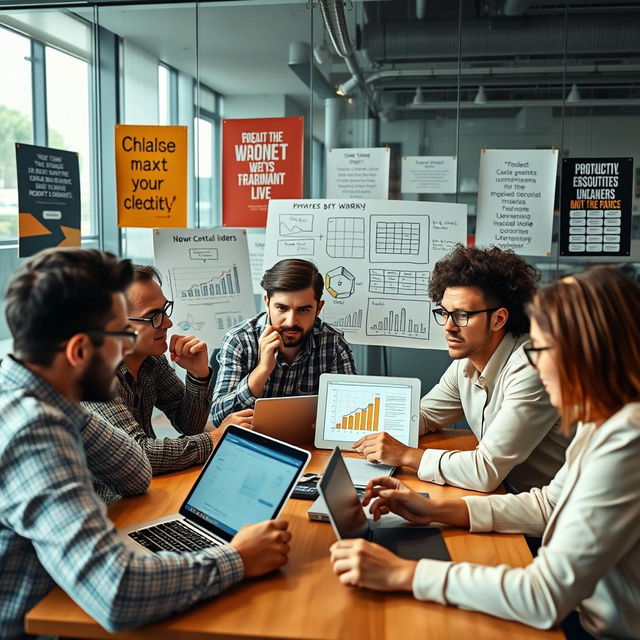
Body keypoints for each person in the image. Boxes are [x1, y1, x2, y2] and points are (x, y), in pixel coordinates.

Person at [330, 266, 640, 640]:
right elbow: (549, 505)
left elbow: (544, 595)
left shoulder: (627, 439)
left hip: (598, 627)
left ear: (589, 353)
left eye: (542, 349)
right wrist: (438, 510)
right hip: (581, 597)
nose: (537, 363)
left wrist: (404, 574)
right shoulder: (603, 420)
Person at [0, 248, 291, 640]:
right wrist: (237, 558)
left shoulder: (46, 394)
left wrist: (74, 407)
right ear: (79, 352)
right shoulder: (34, 431)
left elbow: (135, 472)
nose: (126, 349)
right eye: (120, 334)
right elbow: (118, 592)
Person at [353, 245, 568, 493]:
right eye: (444, 313)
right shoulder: (466, 364)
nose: (448, 326)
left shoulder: (533, 367)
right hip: (505, 496)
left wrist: (406, 455)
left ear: (499, 319)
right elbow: (424, 416)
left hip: (547, 516)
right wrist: (364, 436)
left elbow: (485, 471)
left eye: (462, 315)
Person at [83, 265, 252, 477]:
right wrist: (215, 438)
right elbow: (138, 454)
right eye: (154, 316)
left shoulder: (151, 359)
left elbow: (189, 425)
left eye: (165, 310)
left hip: (143, 489)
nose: (168, 323)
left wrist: (197, 375)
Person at [210, 258, 356, 425]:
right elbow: (220, 419)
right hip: (253, 445)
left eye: (303, 310)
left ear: (319, 308)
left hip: (309, 446)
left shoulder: (334, 344)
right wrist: (263, 369)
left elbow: (347, 414)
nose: (291, 321)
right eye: (282, 308)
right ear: (267, 302)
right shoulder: (239, 340)